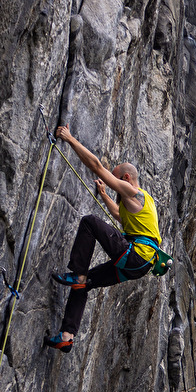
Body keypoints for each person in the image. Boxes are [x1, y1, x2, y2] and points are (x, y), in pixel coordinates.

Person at [45, 125, 162, 352]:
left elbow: (98, 167)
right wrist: (105, 196)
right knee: (84, 284)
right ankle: (66, 336)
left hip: (135, 255)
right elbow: (120, 216)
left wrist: (70, 138)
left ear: (126, 178)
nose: (114, 182)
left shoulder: (134, 193)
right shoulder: (141, 203)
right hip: (139, 265)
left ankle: (77, 271)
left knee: (89, 222)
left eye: (117, 179)